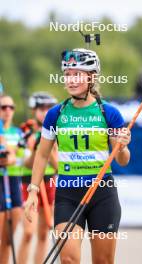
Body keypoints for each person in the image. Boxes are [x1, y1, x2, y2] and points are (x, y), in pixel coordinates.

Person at [24, 48, 131, 264]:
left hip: (102, 194)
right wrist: (33, 191)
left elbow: (123, 160)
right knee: (69, 260)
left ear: (91, 76)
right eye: (67, 75)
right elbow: (42, 155)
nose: (71, 80)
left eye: (77, 74)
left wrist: (121, 147)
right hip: (67, 194)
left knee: (103, 261)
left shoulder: (108, 113)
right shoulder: (55, 114)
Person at [18, 92, 58, 264]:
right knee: (28, 233)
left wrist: (49, 150)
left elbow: (59, 166)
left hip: (50, 181)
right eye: (41, 108)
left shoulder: (57, 129)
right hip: (30, 183)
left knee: (44, 233)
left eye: (49, 108)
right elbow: (26, 164)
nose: (45, 112)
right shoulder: (26, 130)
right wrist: (37, 150)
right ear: (34, 110)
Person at [0, 95, 22, 263]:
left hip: (14, 181)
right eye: (3, 107)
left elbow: (25, 159)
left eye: (11, 107)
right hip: (1, 180)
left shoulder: (18, 132)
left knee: (8, 239)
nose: (7, 110)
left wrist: (12, 157)